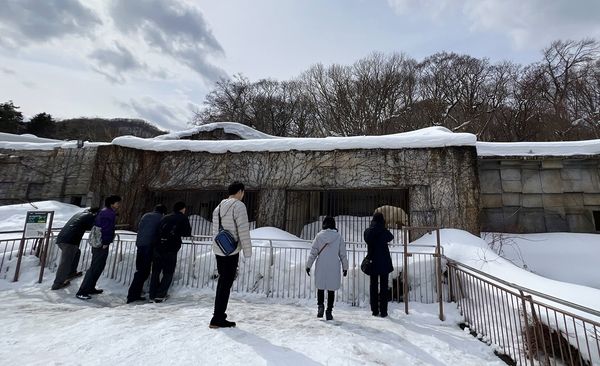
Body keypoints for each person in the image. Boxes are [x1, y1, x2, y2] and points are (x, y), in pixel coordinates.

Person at [209, 181, 252, 328]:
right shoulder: (239, 206)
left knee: (223, 282)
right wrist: (247, 251)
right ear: (240, 191)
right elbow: (243, 230)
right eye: (243, 192)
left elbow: (215, 230)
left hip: (219, 249)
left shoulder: (218, 207)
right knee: (225, 283)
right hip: (231, 250)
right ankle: (218, 318)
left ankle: (218, 315)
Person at [76, 195, 122, 300]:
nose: (119, 205)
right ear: (112, 204)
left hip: (98, 242)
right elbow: (106, 229)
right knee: (95, 266)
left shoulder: (105, 212)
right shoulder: (108, 214)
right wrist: (106, 242)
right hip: (101, 243)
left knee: (99, 266)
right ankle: (83, 291)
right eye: (117, 203)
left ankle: (90, 287)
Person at [305, 216, 349, 321]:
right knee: (331, 289)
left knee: (320, 287)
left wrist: (308, 265)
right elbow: (343, 254)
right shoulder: (338, 237)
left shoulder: (319, 236)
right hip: (334, 266)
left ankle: (320, 307)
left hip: (321, 265)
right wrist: (345, 267)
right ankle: (329, 311)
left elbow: (313, 252)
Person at [149, 201, 191, 303]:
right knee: (168, 272)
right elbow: (187, 232)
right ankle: (161, 294)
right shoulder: (183, 218)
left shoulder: (165, 217)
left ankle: (152, 295)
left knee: (156, 271)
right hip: (171, 247)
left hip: (158, 246)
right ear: (183, 209)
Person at [126, 204, 167, 304]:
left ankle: (134, 294)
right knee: (145, 271)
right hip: (150, 246)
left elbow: (140, 228)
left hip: (140, 244)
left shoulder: (146, 216)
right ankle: (133, 294)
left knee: (140, 270)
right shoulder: (161, 218)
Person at [51, 207, 100, 290]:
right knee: (65, 262)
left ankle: (71, 273)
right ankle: (58, 283)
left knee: (77, 253)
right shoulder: (89, 216)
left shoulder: (80, 214)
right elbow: (94, 226)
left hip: (62, 239)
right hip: (69, 242)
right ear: (95, 213)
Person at [363, 212, 394, 317]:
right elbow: (391, 237)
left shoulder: (368, 232)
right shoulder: (384, 231)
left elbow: (366, 237)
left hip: (373, 262)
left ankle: (374, 310)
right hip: (384, 262)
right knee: (384, 287)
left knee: (373, 286)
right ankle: (384, 311)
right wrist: (382, 227)